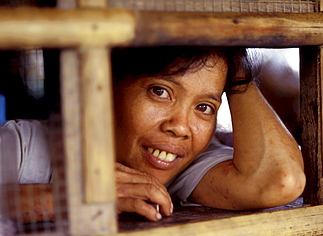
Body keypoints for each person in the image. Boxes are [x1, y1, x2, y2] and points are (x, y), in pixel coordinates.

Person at [0, 47, 305, 223]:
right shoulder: (28, 146)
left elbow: (281, 180)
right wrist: (76, 196)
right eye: (160, 92)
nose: (181, 127)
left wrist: (236, 66)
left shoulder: (183, 165)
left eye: (204, 107)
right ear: (103, 91)